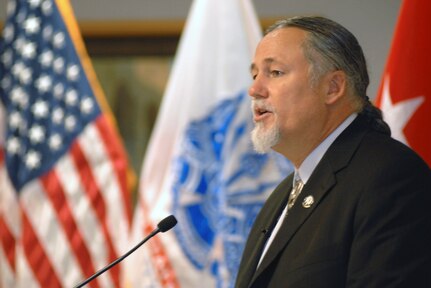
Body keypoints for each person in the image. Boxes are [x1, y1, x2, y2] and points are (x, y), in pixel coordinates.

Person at [235, 16, 431, 288]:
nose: (254, 89)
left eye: (275, 72)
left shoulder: (390, 177)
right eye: (255, 74)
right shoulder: (281, 196)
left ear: (333, 87)